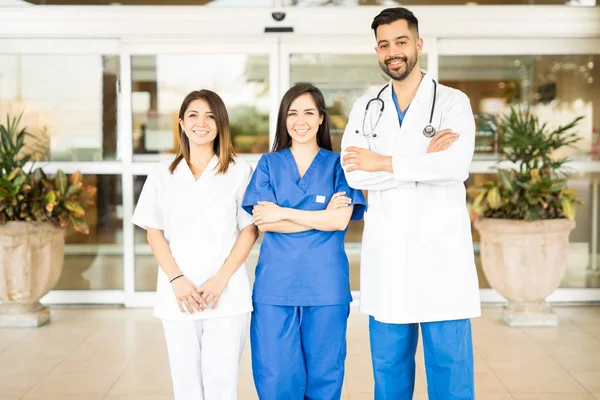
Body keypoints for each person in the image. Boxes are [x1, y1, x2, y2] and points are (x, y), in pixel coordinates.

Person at [340, 7, 481, 400]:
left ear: (418, 44)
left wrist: (383, 162)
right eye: (384, 44)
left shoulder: (453, 102)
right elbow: (355, 173)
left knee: (450, 371)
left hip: (442, 260)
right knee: (388, 372)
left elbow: (454, 166)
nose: (393, 51)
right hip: (389, 261)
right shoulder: (366, 108)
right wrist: (423, 160)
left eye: (401, 42)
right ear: (377, 51)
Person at [242, 83, 366, 400]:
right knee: (276, 374)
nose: (301, 121)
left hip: (326, 286)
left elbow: (340, 221)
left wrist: (284, 212)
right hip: (275, 287)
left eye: (309, 112)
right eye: (292, 113)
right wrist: (319, 216)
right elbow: (265, 224)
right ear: (284, 120)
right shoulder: (269, 164)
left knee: (325, 375)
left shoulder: (339, 165)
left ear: (321, 118)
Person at [131, 89, 258, 400]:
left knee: (221, 382)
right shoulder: (163, 173)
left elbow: (249, 231)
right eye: (194, 115)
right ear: (181, 124)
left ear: (221, 124)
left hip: (226, 294)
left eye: (211, 115)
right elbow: (154, 231)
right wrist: (177, 281)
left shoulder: (240, 171)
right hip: (178, 294)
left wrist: (219, 281)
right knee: (186, 384)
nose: (202, 122)